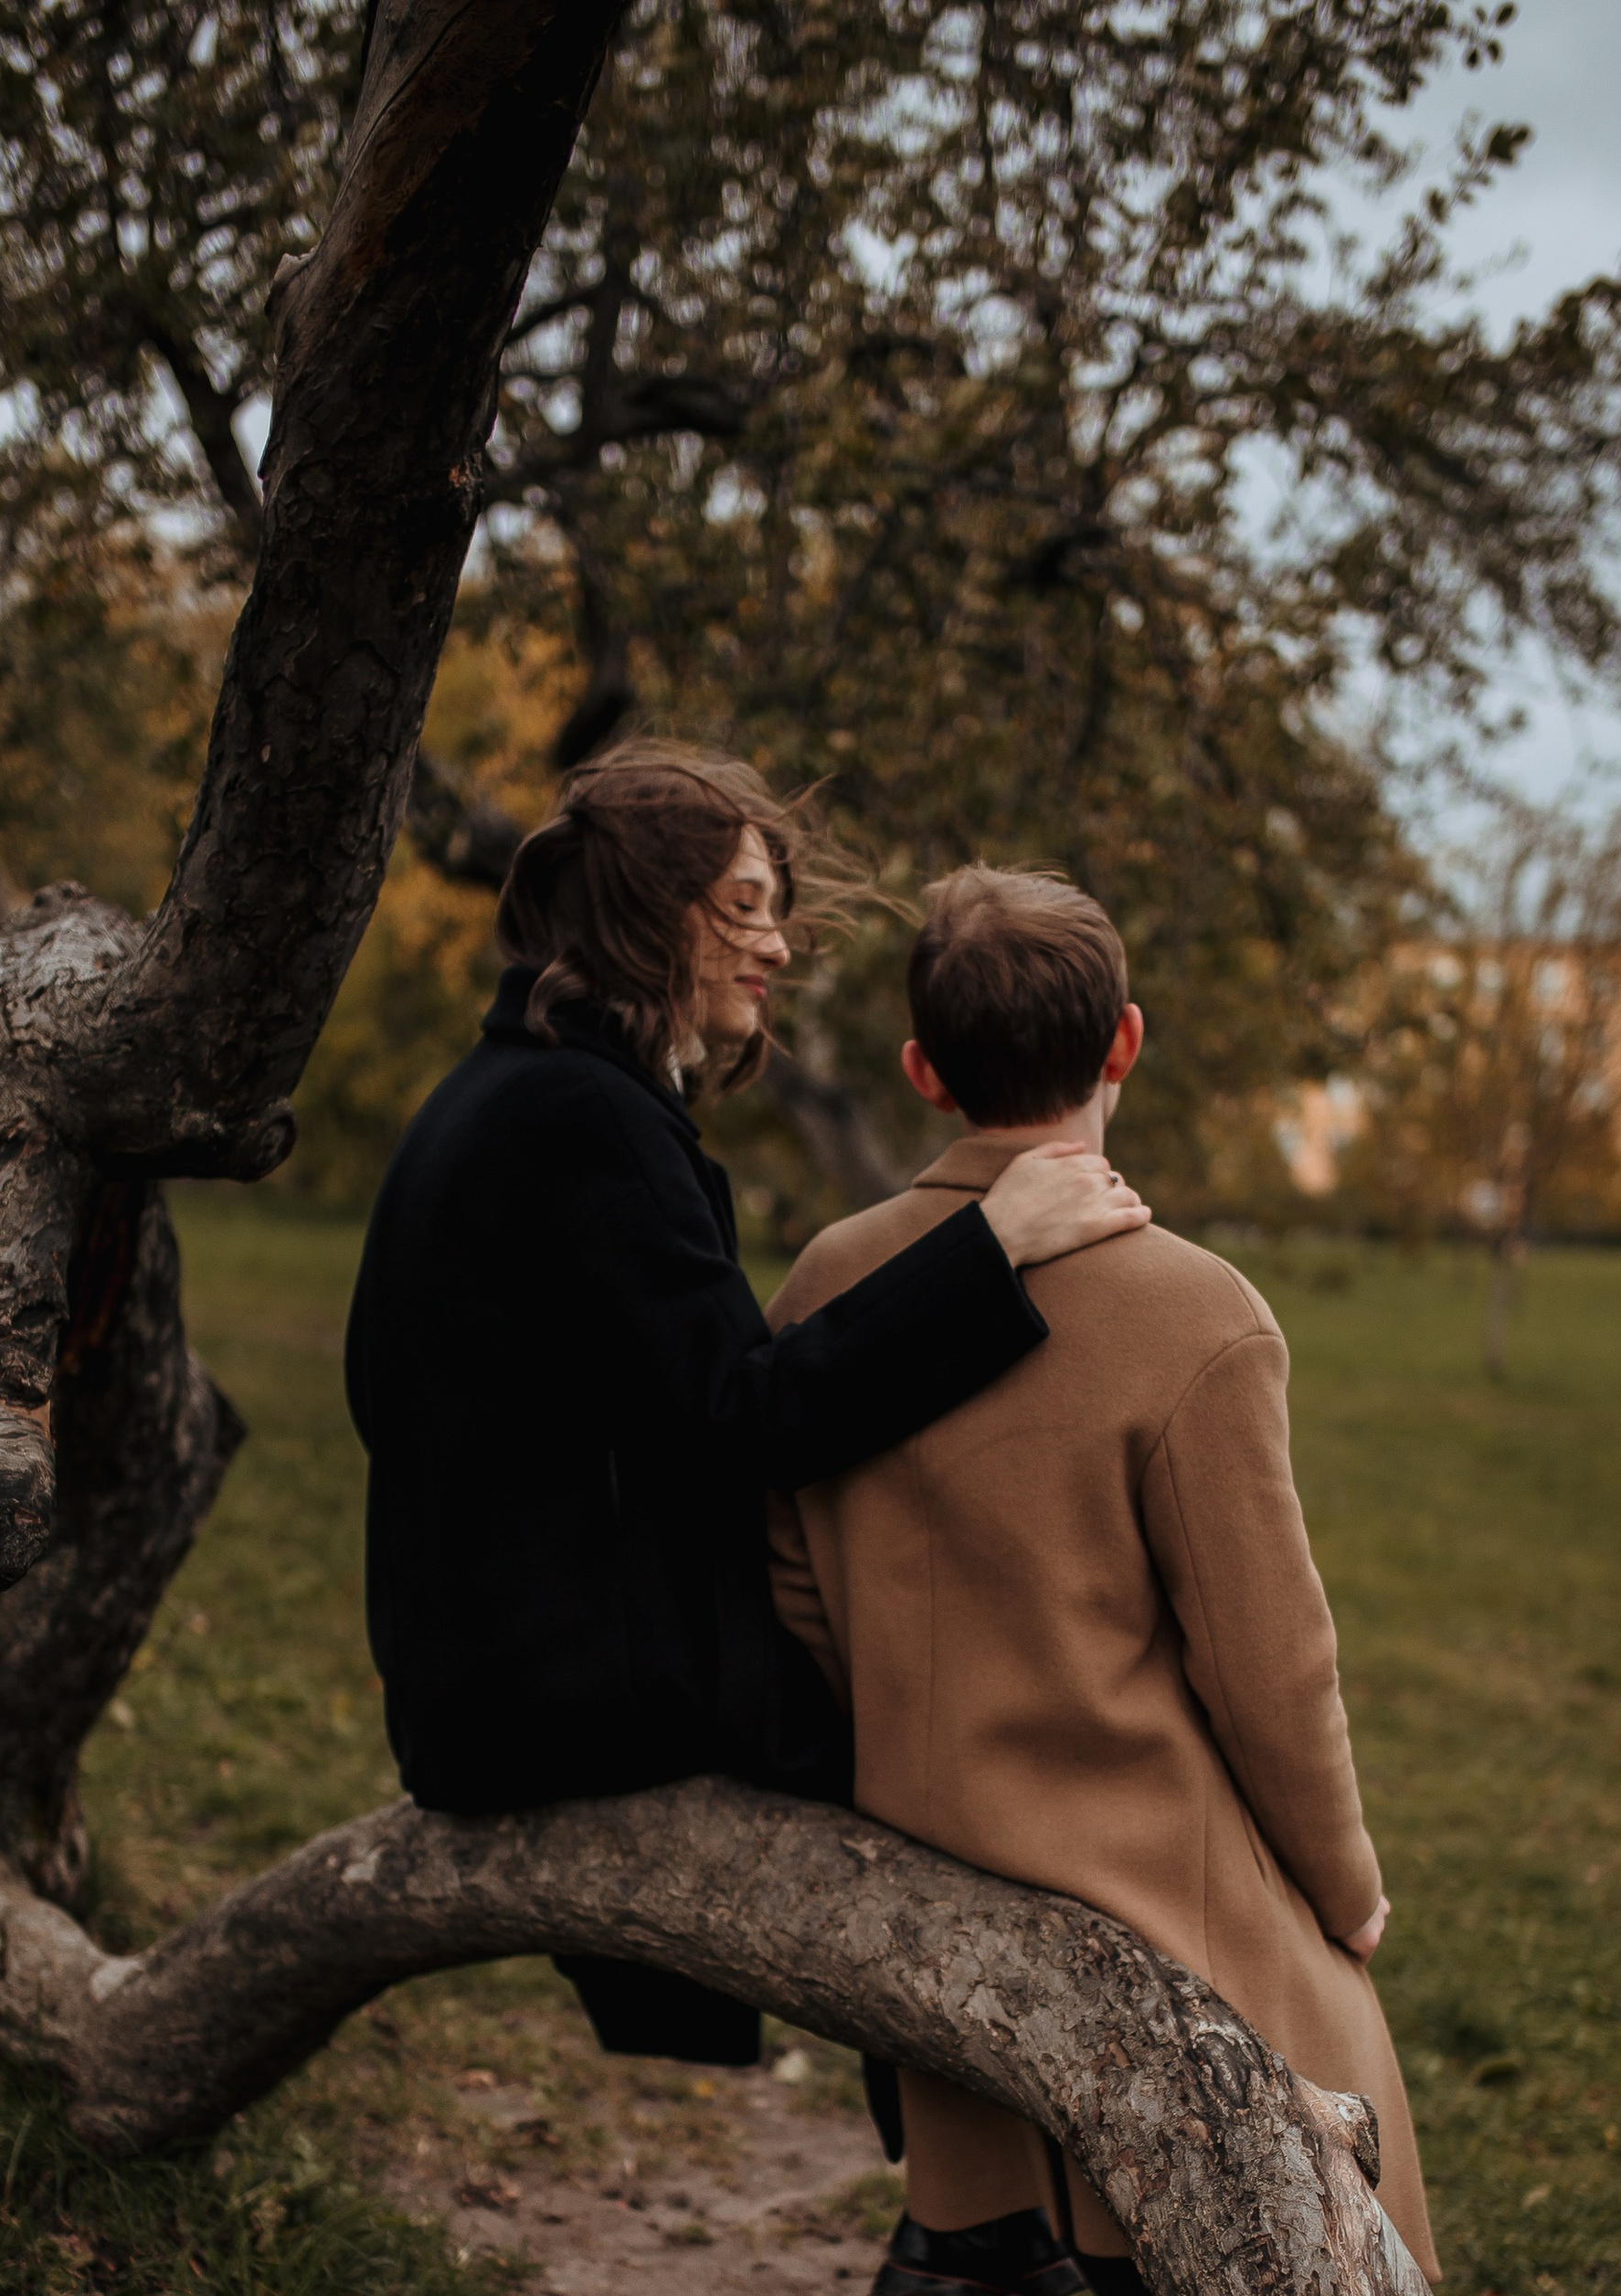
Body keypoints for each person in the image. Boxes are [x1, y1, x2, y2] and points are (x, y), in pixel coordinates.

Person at [766, 865, 1436, 2296]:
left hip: (932, 1850)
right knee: (1328, 2055)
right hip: (1143, 1866)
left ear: (918, 1069)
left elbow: (786, 1584)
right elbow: (1266, 1663)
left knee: (1172, 2125)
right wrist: (1343, 1876)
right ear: (1123, 1043)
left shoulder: (830, 1280)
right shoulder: (1191, 1308)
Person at [344, 751, 1150, 2068]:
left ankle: (967, 2190)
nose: (777, 943)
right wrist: (989, 1245)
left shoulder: (512, 1094)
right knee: (958, 1777)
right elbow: (748, 1419)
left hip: (483, 1691)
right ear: (653, 911)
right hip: (571, 1709)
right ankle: (977, 2198)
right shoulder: (581, 1117)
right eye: (743, 905)